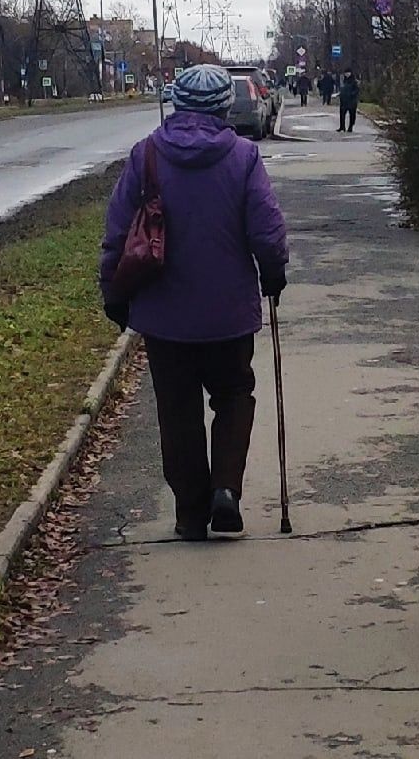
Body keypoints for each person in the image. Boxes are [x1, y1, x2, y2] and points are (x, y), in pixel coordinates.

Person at [99, 64, 289, 541]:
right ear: (224, 106)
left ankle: (190, 513)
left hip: (165, 316)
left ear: (176, 103)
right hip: (228, 313)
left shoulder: (146, 157)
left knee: (177, 409)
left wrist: (114, 293)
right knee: (233, 396)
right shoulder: (243, 156)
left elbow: (118, 234)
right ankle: (225, 489)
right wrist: (273, 273)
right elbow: (266, 229)